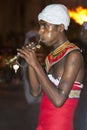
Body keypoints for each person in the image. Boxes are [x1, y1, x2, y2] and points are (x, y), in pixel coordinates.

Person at [17, 4, 84, 130]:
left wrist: (36, 65)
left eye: (45, 26)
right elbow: (35, 92)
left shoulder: (74, 56)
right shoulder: (51, 58)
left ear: (60, 28)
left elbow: (58, 100)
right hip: (43, 124)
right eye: (40, 26)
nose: (40, 31)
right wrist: (31, 63)